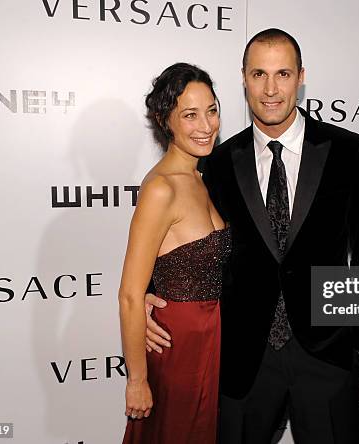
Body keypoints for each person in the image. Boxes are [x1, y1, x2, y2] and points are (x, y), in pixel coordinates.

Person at [146, 29, 359, 443]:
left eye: (283, 74)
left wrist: (356, 337)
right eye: (259, 74)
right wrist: (154, 292)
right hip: (244, 359)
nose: (271, 89)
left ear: (301, 77)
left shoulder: (349, 150)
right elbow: (191, 239)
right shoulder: (219, 162)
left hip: (326, 354)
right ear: (243, 78)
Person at [118, 62, 230, 444]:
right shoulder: (161, 188)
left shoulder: (203, 177)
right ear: (165, 120)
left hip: (211, 340)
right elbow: (131, 294)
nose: (206, 125)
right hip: (176, 345)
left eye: (212, 110)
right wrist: (137, 379)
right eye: (190, 115)